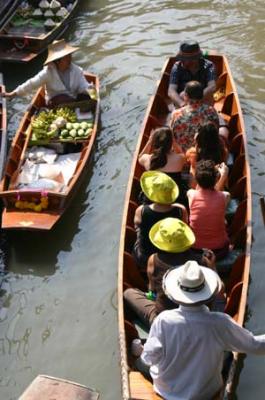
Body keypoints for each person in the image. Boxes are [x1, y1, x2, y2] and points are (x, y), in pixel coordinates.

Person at [135, 260, 265, 400]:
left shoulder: (163, 320)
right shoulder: (220, 322)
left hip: (166, 392)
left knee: (139, 362)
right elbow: (256, 345)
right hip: (205, 394)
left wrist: (138, 350)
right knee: (227, 353)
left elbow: (149, 358)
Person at [124, 217, 217, 328]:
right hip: (201, 319)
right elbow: (216, 288)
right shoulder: (203, 261)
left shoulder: (153, 260)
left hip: (164, 322)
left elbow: (152, 290)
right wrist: (213, 265)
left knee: (128, 293)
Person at [4, 39, 96, 107]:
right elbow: (31, 84)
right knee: (63, 98)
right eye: (66, 57)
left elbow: (83, 85)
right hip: (55, 103)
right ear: (57, 61)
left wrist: (90, 89)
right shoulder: (48, 72)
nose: (70, 59)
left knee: (87, 98)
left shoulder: (76, 70)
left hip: (73, 101)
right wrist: (13, 93)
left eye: (70, 56)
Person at [132, 171, 188, 270]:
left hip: (145, 257)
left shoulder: (141, 210)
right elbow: (185, 226)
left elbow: (137, 225)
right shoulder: (180, 209)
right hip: (174, 255)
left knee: (138, 231)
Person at [187, 160, 230, 259]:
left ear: (197, 179)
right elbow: (216, 195)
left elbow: (202, 192)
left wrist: (219, 177)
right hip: (219, 251)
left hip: (194, 250)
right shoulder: (225, 196)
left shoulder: (191, 194)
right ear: (216, 179)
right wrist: (223, 176)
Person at [138, 127, 188, 205]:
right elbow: (181, 153)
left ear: (154, 143)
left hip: (153, 200)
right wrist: (174, 142)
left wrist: (149, 141)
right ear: (170, 143)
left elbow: (140, 157)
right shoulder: (179, 159)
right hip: (176, 198)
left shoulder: (147, 159)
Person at [170, 80, 223, 153]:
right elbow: (215, 132)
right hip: (206, 154)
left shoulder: (176, 114)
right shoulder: (211, 111)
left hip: (182, 156)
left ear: (186, 96)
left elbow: (172, 137)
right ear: (202, 95)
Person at [168, 40, 216, 108]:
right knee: (182, 94)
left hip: (203, 99)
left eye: (185, 59)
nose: (182, 61)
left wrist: (196, 101)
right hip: (183, 100)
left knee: (210, 95)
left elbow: (212, 87)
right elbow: (171, 90)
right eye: (181, 58)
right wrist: (183, 104)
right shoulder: (177, 67)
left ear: (195, 59)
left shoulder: (208, 66)